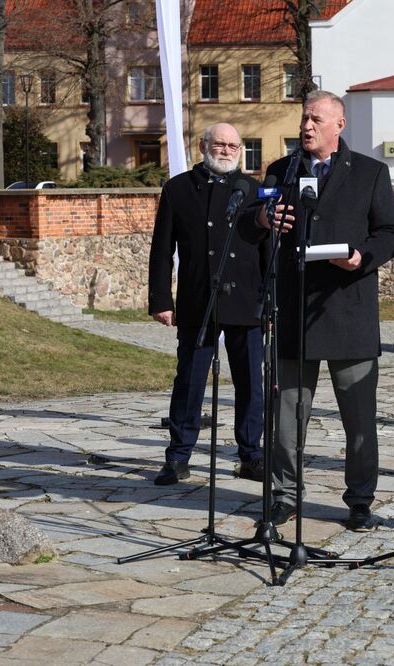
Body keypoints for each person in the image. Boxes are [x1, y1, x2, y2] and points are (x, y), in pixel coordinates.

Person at [258, 91, 394, 531]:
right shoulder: (281, 171)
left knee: (358, 420)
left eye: (316, 119)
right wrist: (265, 219)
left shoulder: (370, 172)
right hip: (294, 311)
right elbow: (257, 219)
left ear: (339, 125)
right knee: (285, 417)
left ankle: (360, 500)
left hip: (348, 310)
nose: (306, 126)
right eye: (304, 118)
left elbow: (391, 233)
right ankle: (284, 496)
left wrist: (362, 257)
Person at [147, 123, 266, 486]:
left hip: (247, 301)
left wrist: (270, 302)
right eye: (220, 144)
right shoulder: (178, 189)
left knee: (250, 383)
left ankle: (251, 455)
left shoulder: (254, 190)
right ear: (203, 146)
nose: (227, 150)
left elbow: (267, 249)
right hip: (200, 300)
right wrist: (161, 299)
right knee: (190, 381)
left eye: (233, 145)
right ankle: (178, 456)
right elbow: (162, 249)